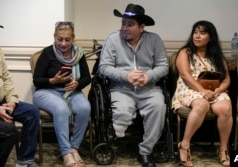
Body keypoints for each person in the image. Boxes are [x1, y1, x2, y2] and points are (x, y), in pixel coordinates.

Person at [98, 4, 169, 167]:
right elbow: (104, 67)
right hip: (121, 88)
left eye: (130, 25)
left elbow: (164, 66)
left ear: (142, 27)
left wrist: (148, 76)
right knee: (121, 115)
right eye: (123, 23)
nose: (125, 28)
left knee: (158, 106)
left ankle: (145, 152)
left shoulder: (154, 40)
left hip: (149, 88)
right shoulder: (113, 39)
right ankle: (117, 135)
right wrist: (125, 75)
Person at [172, 20, 233, 167]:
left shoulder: (217, 56)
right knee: (202, 104)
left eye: (203, 33)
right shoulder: (185, 52)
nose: (197, 36)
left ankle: (223, 149)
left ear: (210, 37)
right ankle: (184, 145)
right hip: (189, 89)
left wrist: (219, 89)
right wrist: (203, 91)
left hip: (214, 90)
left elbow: (226, 79)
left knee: (225, 108)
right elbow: (185, 75)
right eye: (195, 32)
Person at [32, 21, 91, 167]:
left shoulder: (79, 53)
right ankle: (65, 153)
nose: (63, 43)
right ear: (54, 37)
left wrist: (78, 84)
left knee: (85, 108)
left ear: (73, 38)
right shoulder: (47, 53)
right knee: (61, 109)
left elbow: (87, 78)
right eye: (60, 39)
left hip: (72, 91)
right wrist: (52, 80)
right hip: (46, 92)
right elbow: (37, 80)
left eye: (67, 39)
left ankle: (74, 147)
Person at [0, 49, 40, 167]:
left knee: (32, 112)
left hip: (3, 102)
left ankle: (25, 161)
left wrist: (12, 100)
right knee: (9, 131)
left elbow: (6, 79)